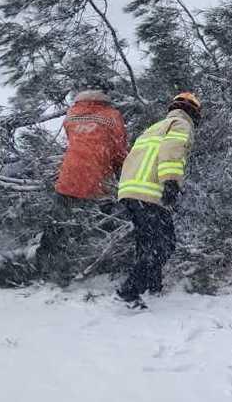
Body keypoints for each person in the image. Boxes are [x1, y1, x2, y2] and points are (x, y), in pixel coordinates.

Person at [116, 91, 201, 309]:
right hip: (149, 191)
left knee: (147, 242)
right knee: (164, 244)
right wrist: (171, 181)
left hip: (130, 190)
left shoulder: (155, 126)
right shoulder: (181, 125)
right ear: (193, 112)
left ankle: (153, 286)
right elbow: (171, 151)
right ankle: (130, 290)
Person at [36, 88, 128, 278]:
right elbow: (118, 149)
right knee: (99, 222)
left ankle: (45, 263)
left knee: (58, 222)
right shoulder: (112, 115)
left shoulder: (72, 114)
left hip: (69, 176)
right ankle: (94, 262)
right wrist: (122, 170)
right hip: (97, 177)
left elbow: (74, 140)